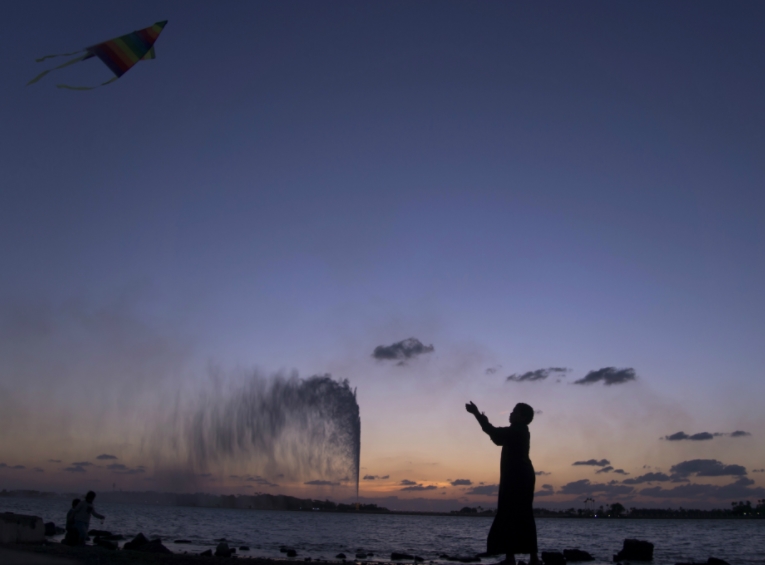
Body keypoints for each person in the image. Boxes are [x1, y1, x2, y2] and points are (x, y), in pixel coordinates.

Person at [466, 401, 539, 565]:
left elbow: (492, 432)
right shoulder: (520, 431)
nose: (511, 413)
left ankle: (514, 558)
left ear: (523, 417)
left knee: (510, 514)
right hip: (520, 476)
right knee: (522, 515)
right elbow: (498, 438)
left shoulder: (517, 431)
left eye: (515, 411)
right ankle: (528, 558)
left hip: (517, 478)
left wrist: (477, 414)